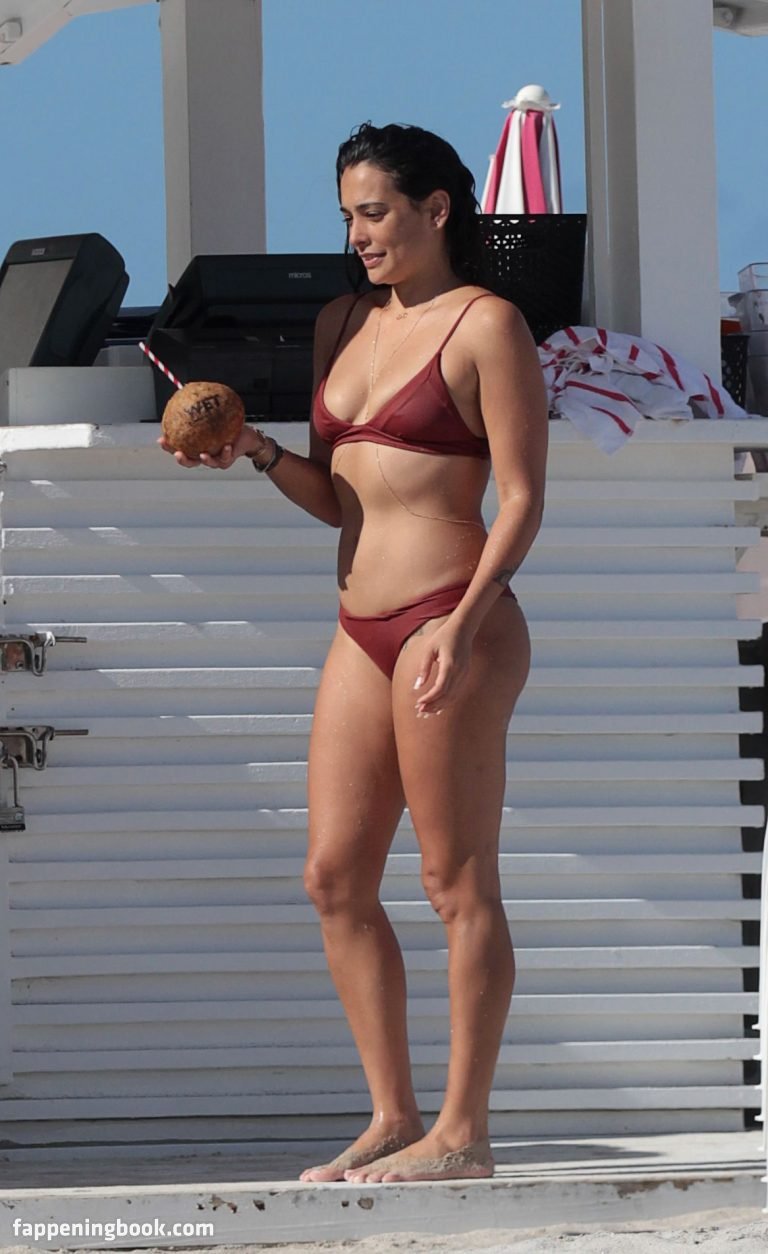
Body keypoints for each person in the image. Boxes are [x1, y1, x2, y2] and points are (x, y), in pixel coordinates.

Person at [159, 121, 548, 1184]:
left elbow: (522, 499)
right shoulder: (344, 321)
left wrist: (463, 626)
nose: (358, 235)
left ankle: (463, 1135)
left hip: (452, 617)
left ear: (436, 210)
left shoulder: (487, 325)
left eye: (375, 212)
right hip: (361, 627)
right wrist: (255, 450)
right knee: (334, 877)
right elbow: (340, 498)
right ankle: (391, 1117)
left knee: (456, 881)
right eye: (347, 216)